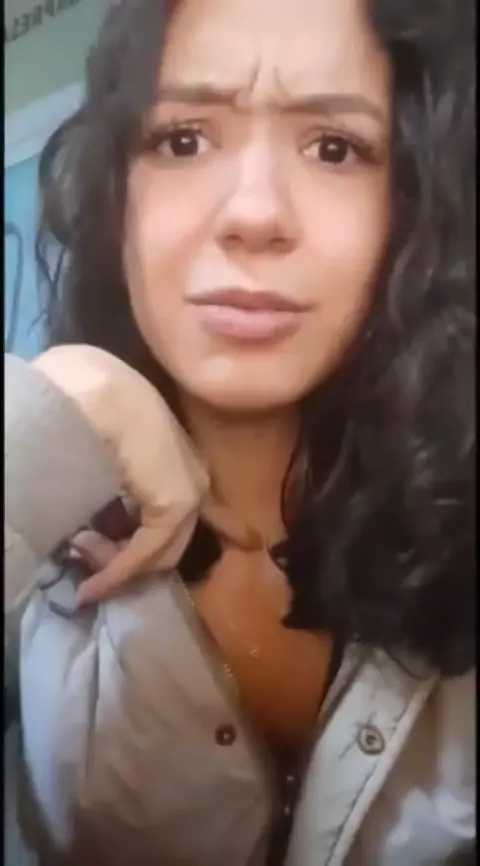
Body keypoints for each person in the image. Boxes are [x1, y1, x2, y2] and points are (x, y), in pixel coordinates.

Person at [4, 0, 475, 863]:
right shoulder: (35, 506)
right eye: (183, 139)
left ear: (413, 203)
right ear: (115, 193)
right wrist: (41, 427)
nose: (254, 214)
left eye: (334, 148)